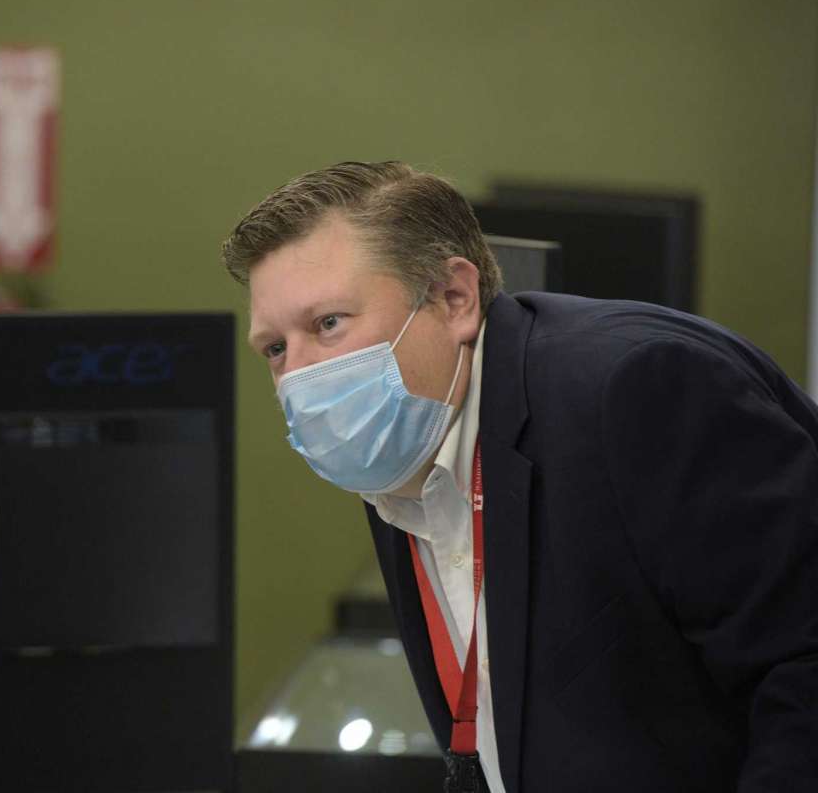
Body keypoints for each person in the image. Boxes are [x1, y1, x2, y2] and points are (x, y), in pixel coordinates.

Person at [221, 161, 818, 792]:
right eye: (276, 349)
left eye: (328, 324)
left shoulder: (638, 389)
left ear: (454, 298)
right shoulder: (403, 443)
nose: (301, 378)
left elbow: (802, 667)